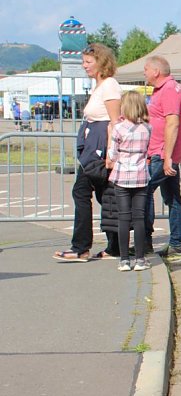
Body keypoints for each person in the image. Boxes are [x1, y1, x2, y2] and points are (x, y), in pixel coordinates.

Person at [53, 43, 121, 262]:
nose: (84, 66)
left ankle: (82, 247)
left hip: (99, 147)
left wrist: (111, 154)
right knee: (104, 195)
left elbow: (114, 121)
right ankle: (114, 246)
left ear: (101, 63)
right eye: (84, 62)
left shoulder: (109, 85)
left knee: (82, 192)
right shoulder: (99, 86)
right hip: (93, 144)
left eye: (88, 62)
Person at [143, 55, 181, 260]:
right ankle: (177, 243)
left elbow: (173, 123)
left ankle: (145, 241)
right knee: (171, 196)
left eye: (146, 70)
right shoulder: (167, 89)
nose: (144, 73)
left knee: (144, 191)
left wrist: (167, 156)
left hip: (163, 152)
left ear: (156, 71)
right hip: (164, 152)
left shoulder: (169, 89)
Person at [108, 91, 152, 271]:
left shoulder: (118, 128)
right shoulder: (148, 128)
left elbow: (112, 154)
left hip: (122, 175)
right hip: (141, 175)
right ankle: (140, 259)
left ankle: (124, 260)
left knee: (124, 218)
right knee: (139, 217)